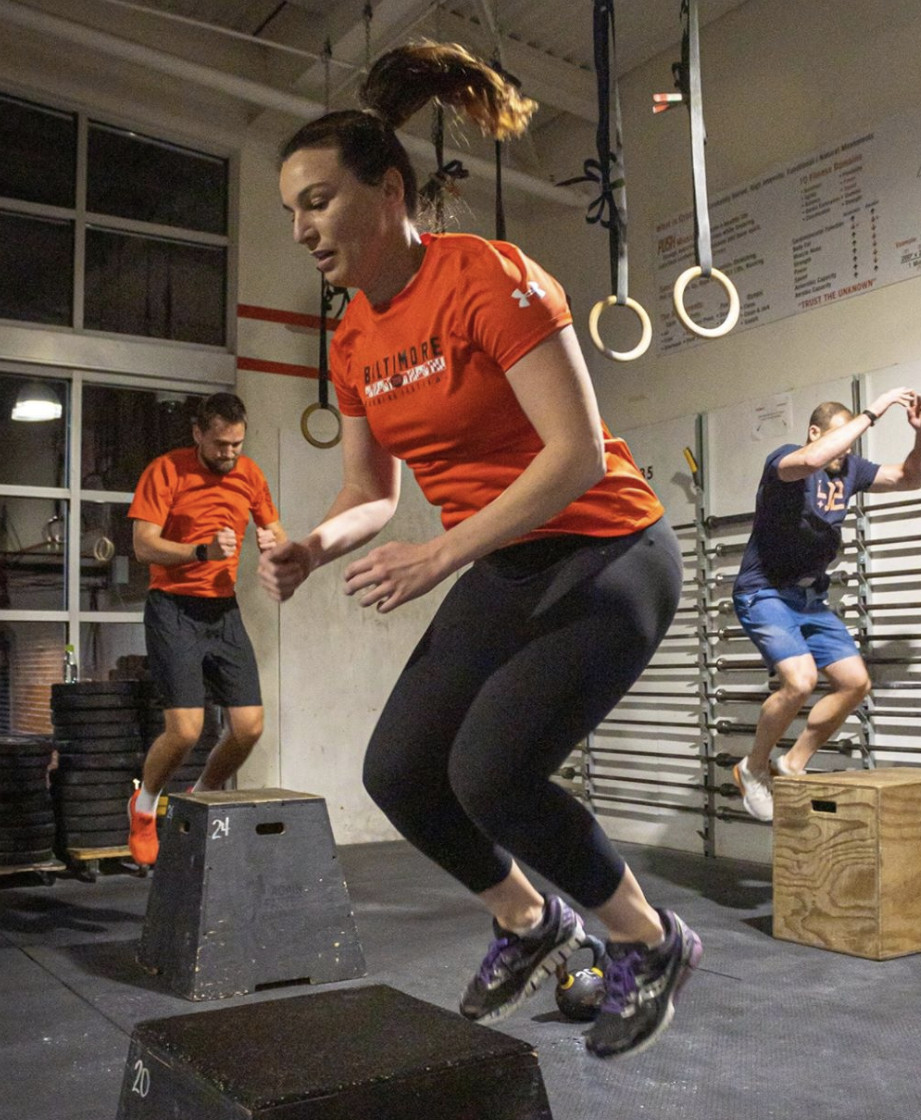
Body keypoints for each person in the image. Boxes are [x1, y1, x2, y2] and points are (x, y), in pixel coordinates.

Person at [259, 42, 701, 1061]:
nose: (302, 228)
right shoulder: (352, 340)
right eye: (290, 212)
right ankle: (529, 921)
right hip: (507, 563)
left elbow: (575, 456)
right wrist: (316, 546)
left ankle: (648, 940)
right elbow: (371, 493)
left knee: (493, 771)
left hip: (606, 549)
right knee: (400, 771)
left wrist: (440, 554)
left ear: (389, 192)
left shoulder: (486, 277)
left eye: (318, 202)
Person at [731, 390, 921, 821]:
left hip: (810, 599)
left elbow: (911, 477)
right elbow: (810, 460)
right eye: (839, 440)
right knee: (800, 681)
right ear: (815, 433)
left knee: (854, 683)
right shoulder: (785, 461)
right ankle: (752, 768)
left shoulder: (850, 469)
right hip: (764, 591)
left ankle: (792, 763)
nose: (845, 451)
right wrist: (873, 412)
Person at [127, 392, 286, 864]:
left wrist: (275, 542)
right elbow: (143, 545)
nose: (229, 453)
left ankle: (200, 797)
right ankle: (144, 806)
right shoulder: (166, 471)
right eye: (220, 444)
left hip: (223, 610)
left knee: (249, 727)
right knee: (185, 731)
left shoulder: (250, 474)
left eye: (237, 444)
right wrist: (201, 551)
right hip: (172, 608)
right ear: (198, 433)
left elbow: (278, 532)